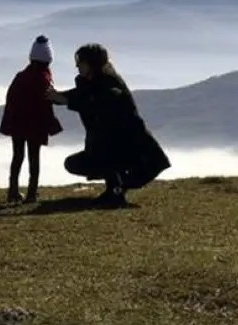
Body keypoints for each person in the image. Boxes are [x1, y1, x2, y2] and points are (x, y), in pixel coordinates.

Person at [47, 43, 170, 207]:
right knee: (75, 162)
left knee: (107, 155)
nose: (77, 66)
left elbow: (97, 102)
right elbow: (79, 96)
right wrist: (55, 97)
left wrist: (67, 100)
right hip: (111, 149)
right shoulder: (91, 84)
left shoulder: (111, 85)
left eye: (81, 62)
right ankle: (114, 189)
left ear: (92, 64)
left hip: (135, 151)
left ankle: (116, 190)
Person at [0, 35, 63, 204]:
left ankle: (13, 191)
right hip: (35, 124)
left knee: (17, 156)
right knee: (34, 157)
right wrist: (52, 123)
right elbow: (47, 102)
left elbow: (11, 100)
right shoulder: (44, 79)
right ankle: (31, 193)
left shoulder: (20, 77)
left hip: (16, 122)